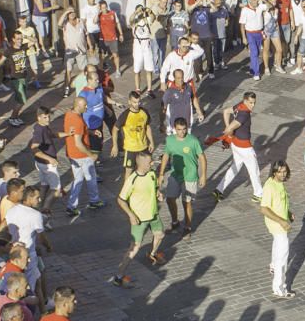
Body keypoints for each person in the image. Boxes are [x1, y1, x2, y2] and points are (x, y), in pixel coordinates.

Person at [111, 151, 166, 287]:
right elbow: (121, 200)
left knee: (160, 234)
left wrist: (158, 194)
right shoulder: (132, 180)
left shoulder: (152, 174)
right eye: (149, 162)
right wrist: (131, 215)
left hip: (153, 214)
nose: (152, 163)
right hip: (139, 219)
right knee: (134, 248)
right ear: (141, 164)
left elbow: (154, 188)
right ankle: (118, 277)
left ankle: (152, 253)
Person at [158, 117, 206, 238]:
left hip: (190, 176)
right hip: (175, 174)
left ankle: (188, 227)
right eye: (179, 130)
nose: (182, 132)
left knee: (187, 202)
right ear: (175, 129)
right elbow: (165, 156)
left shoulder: (193, 141)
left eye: (184, 129)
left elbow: (202, 158)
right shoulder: (169, 140)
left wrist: (203, 175)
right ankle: (175, 222)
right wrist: (161, 174)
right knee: (170, 199)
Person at [213, 92, 264, 202]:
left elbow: (226, 111)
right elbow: (228, 129)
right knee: (254, 170)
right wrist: (228, 131)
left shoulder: (240, 105)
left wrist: (228, 130)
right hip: (245, 147)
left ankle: (219, 190)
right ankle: (258, 194)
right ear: (245, 100)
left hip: (236, 145)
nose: (252, 105)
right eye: (250, 103)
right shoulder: (244, 114)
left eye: (254, 103)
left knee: (234, 168)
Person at [63, 96, 105, 216]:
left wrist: (91, 132)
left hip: (72, 154)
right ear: (78, 106)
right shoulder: (77, 120)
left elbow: (78, 132)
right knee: (91, 178)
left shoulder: (69, 115)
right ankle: (94, 200)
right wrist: (91, 155)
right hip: (81, 155)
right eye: (84, 105)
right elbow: (79, 143)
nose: (87, 107)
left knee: (78, 180)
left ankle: (71, 206)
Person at [260, 161, 294, 299]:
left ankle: (273, 266)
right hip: (278, 225)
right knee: (283, 258)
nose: (283, 174)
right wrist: (282, 221)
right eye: (279, 172)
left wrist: (288, 213)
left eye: (284, 171)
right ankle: (279, 287)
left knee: (277, 246)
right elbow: (264, 209)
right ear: (274, 172)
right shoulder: (270, 187)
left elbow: (280, 203)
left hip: (279, 224)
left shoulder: (278, 183)